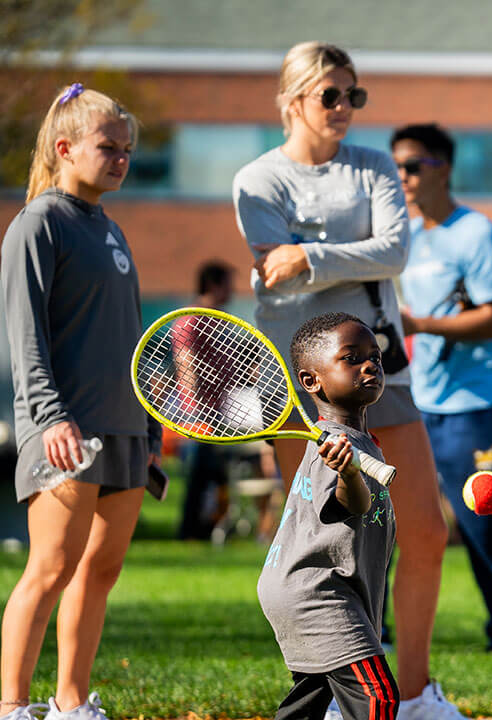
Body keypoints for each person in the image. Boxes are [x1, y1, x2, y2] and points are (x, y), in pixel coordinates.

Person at [232, 42, 459, 718]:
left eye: (353, 95)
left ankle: (413, 695)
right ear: (293, 99)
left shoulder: (372, 168)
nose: (344, 108)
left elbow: (395, 250)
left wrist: (309, 254)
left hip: (382, 372)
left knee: (420, 531)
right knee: (322, 545)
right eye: (330, 95)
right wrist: (315, 260)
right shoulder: (258, 180)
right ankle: (334, 693)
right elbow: (272, 267)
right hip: (299, 389)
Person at [0, 84, 162, 720]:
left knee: (101, 570)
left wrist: (149, 429)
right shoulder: (40, 222)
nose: (120, 158)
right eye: (108, 147)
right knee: (51, 567)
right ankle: (12, 706)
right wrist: (48, 418)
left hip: (124, 431)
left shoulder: (111, 229)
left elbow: (129, 339)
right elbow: (24, 334)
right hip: (63, 429)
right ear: (65, 148)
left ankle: (70, 703)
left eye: (126, 149)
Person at [392, 123, 492, 652]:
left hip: (478, 407)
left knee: (488, 522)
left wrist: (420, 326)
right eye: (397, 167)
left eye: (413, 165)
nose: (403, 176)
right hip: (417, 403)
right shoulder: (408, 236)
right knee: (392, 521)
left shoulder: (476, 233)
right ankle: (373, 635)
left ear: (443, 168)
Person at [257, 312, 398, 720]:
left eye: (375, 356)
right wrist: (349, 473)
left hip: (313, 587)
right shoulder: (333, 448)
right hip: (318, 592)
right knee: (377, 696)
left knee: (311, 698)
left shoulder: (354, 440)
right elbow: (349, 505)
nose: (370, 364)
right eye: (351, 358)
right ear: (311, 381)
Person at [177, 261, 236, 540]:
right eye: (228, 284)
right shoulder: (192, 319)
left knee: (214, 475)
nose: (232, 291)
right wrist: (197, 410)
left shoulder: (219, 319)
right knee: (199, 477)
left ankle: (206, 528)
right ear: (214, 284)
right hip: (199, 414)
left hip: (219, 410)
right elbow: (186, 364)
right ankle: (190, 532)